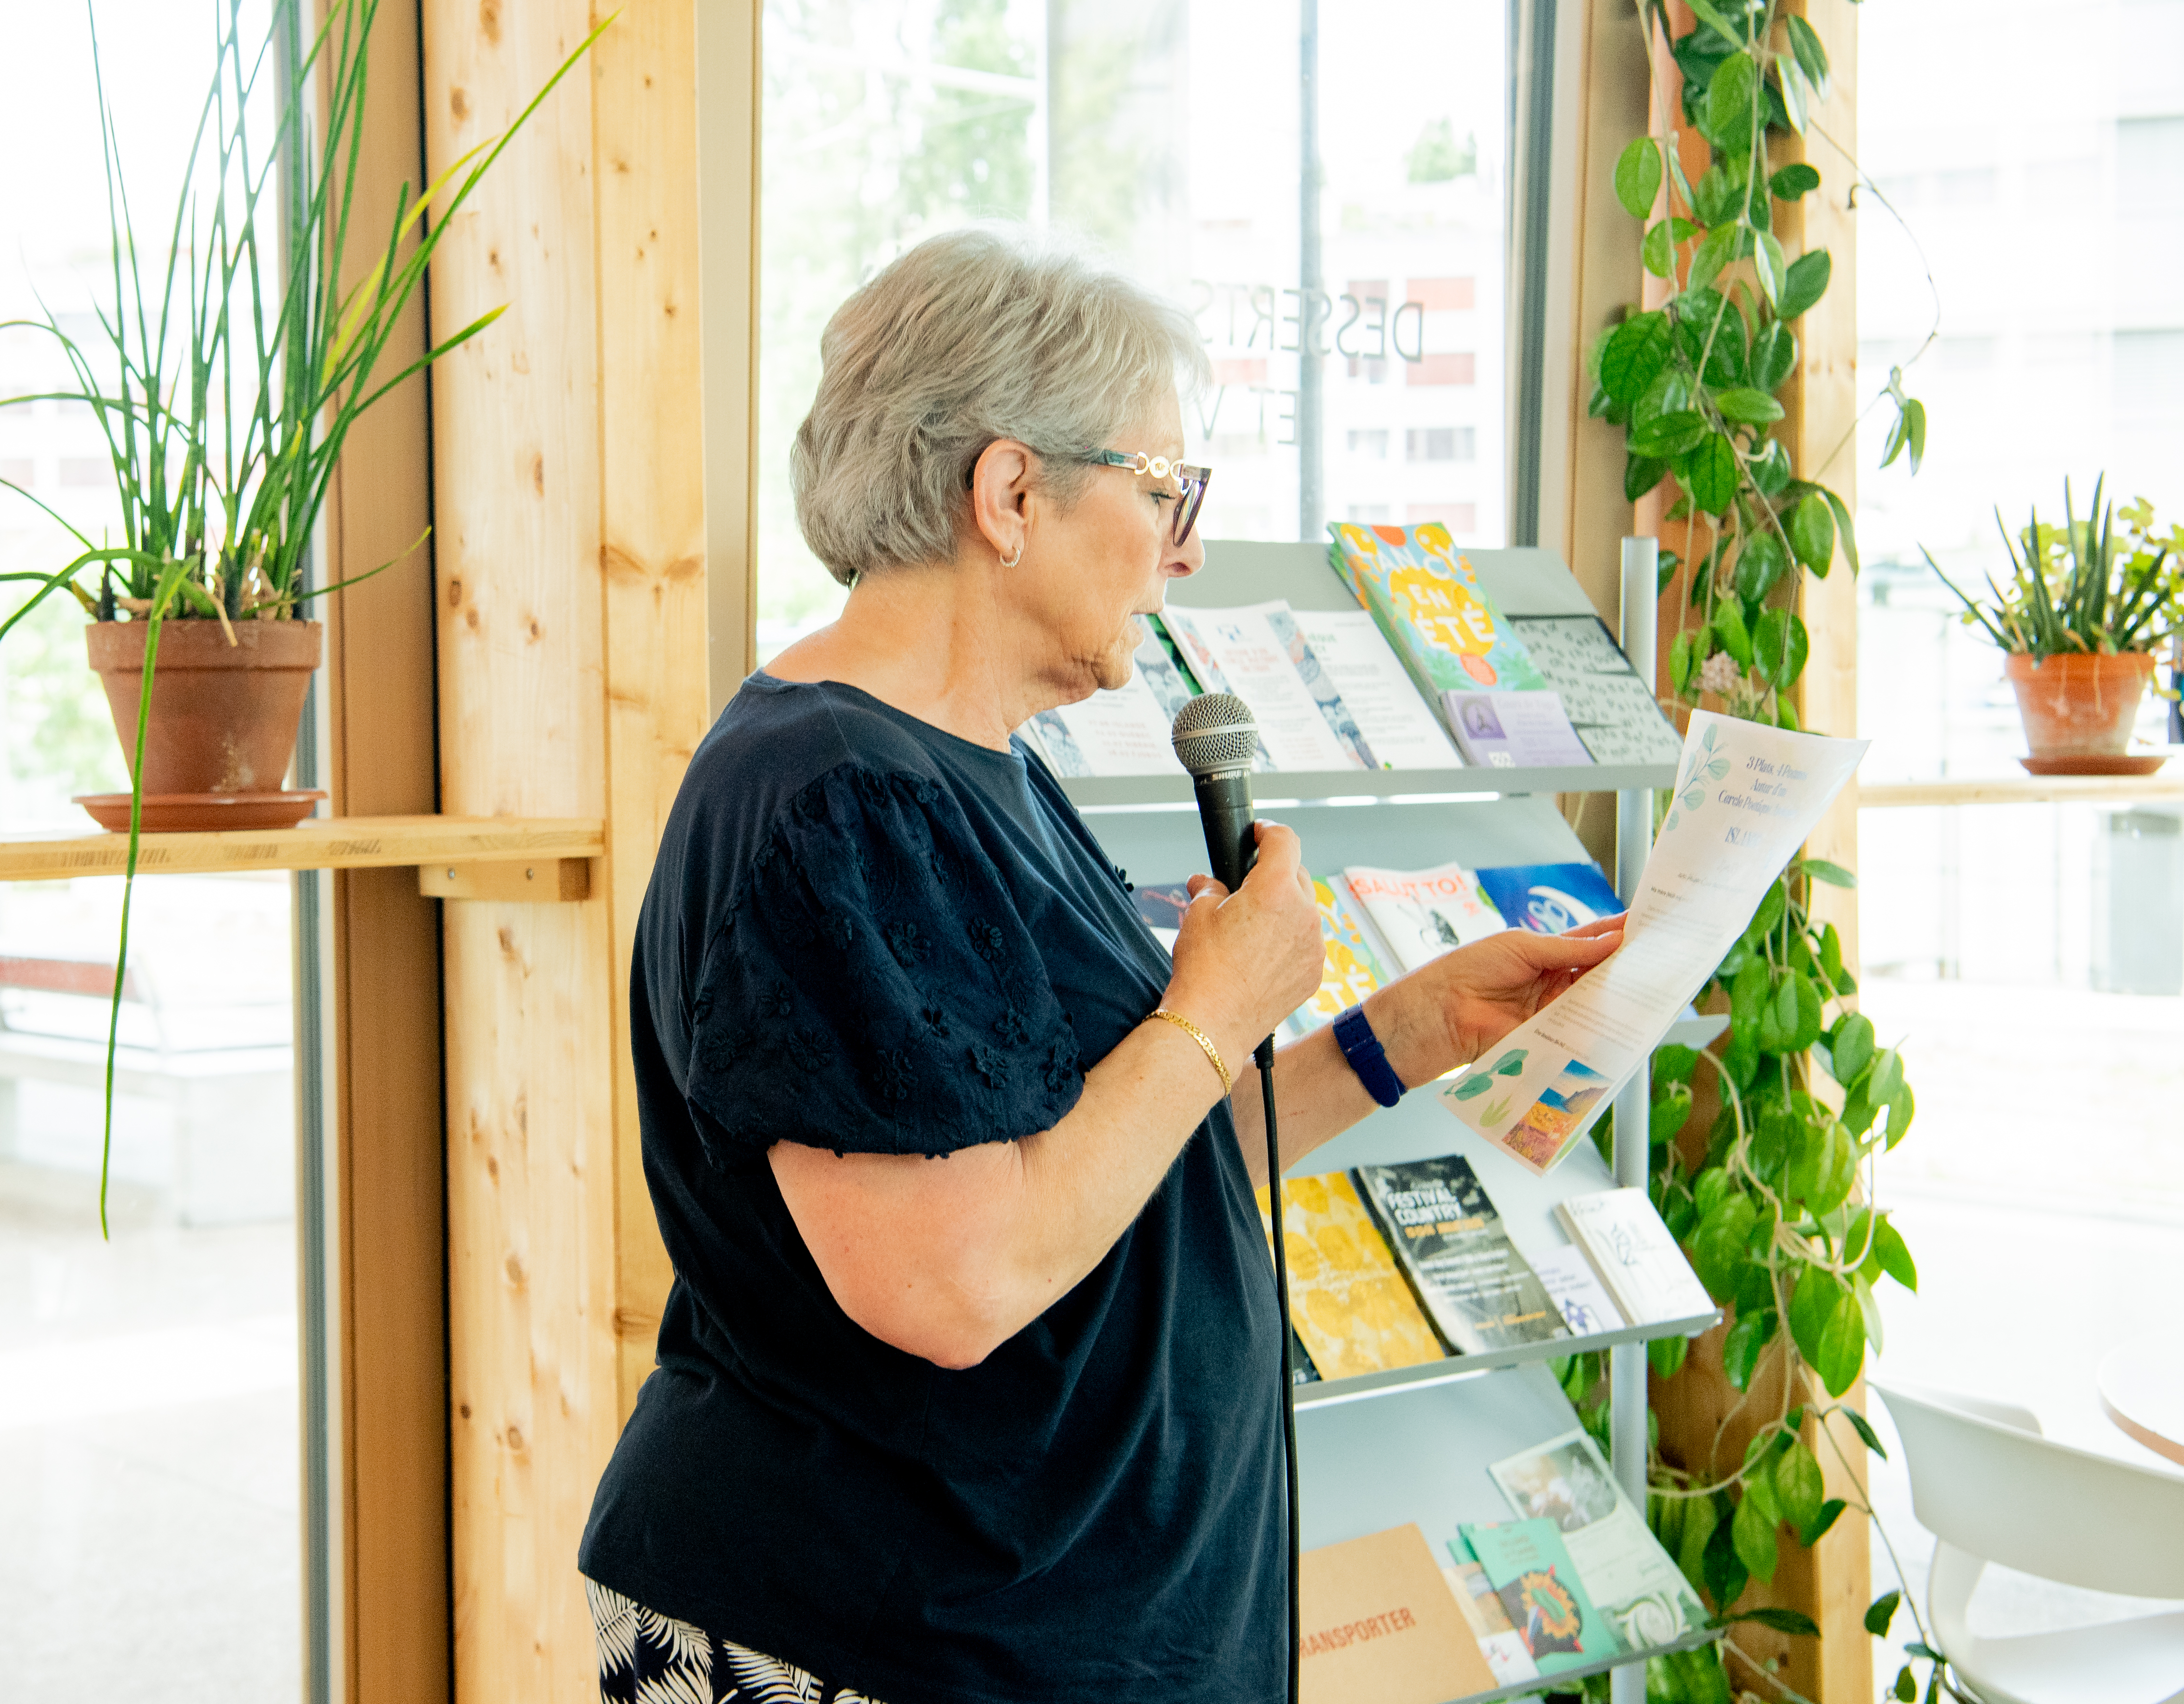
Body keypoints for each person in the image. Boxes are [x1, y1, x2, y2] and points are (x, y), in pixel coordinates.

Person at [579, 226, 1621, 1704]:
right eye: (1161, 492)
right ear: (1008, 493)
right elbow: (958, 1275)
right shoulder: (832, 799)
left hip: (1036, 1624)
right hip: (886, 1636)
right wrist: (1210, 1008)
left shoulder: (977, 767)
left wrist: (1398, 1033)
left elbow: (1120, 1160)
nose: (1184, 548)